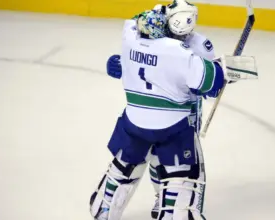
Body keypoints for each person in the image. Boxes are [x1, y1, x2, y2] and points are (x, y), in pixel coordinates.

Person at [90, 8, 225, 220]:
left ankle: (104, 207)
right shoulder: (179, 52)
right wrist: (223, 72)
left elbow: (129, 48)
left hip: (134, 121)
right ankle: (172, 209)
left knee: (128, 161)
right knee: (177, 169)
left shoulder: (131, 37)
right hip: (175, 121)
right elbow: (212, 82)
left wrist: (120, 64)